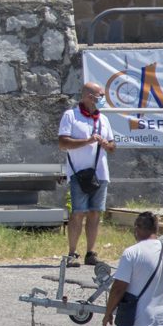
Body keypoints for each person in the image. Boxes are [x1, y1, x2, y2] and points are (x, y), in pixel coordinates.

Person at [58, 81, 116, 267]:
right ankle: (72, 253)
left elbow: (113, 146)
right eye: (100, 96)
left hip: (100, 173)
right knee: (78, 213)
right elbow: (63, 143)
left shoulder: (103, 119)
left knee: (95, 213)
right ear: (89, 97)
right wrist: (88, 140)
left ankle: (90, 252)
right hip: (79, 173)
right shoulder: (71, 116)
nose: (102, 99)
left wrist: (107, 145)